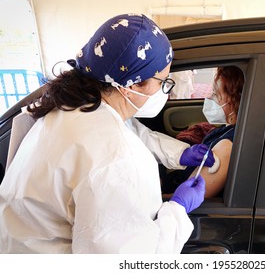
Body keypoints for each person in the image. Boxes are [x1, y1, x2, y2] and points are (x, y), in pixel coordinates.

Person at [0, 13, 213, 254]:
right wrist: (177, 209)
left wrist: (180, 153)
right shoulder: (118, 162)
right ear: (132, 85)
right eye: (163, 81)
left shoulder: (69, 107)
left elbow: (129, 131)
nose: (164, 91)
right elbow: (133, 259)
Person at [161, 66, 245, 198]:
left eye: (216, 94)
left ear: (234, 101)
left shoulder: (226, 146)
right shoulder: (228, 129)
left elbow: (188, 198)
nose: (209, 98)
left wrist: (155, 199)